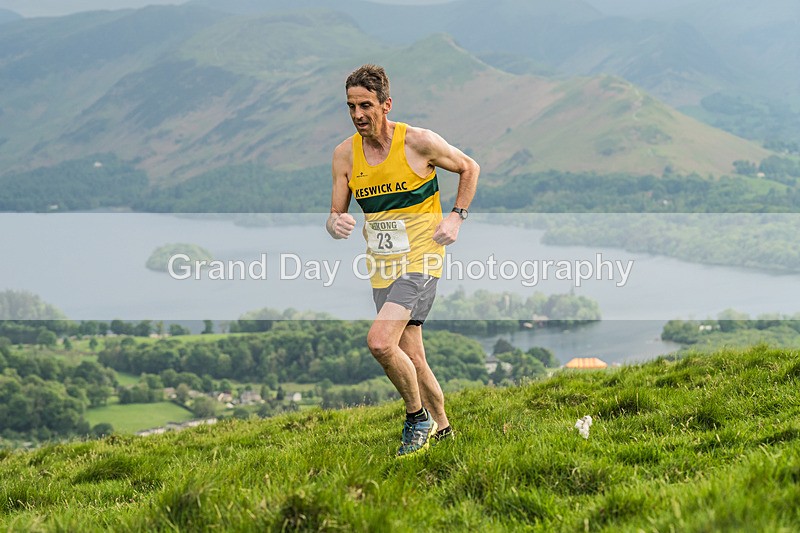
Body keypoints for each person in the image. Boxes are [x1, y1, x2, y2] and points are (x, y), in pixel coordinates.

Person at [326, 64, 479, 457]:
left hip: (422, 259)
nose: (358, 115)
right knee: (411, 354)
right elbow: (335, 213)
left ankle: (418, 419)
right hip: (382, 264)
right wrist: (335, 222)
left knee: (379, 342)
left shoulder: (418, 142)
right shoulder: (344, 155)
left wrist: (455, 217)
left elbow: (469, 167)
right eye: (350, 107)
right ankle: (443, 428)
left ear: (386, 104)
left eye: (366, 105)